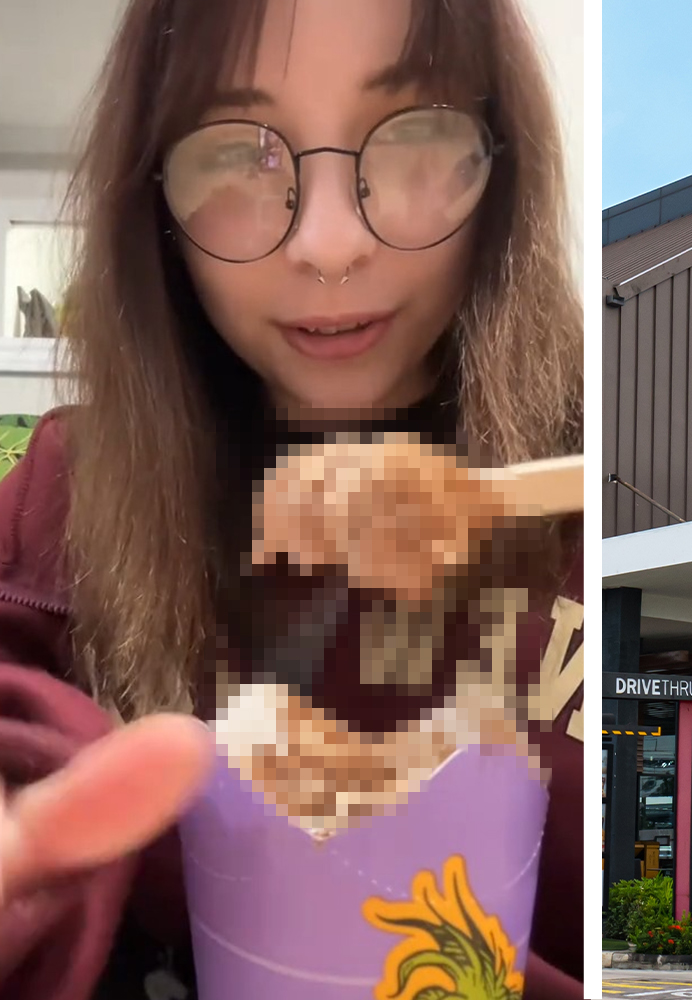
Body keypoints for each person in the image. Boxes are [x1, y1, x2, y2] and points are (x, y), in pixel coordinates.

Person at [0, 1, 585, 997]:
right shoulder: (71, 491)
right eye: (240, 152)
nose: (327, 243)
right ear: (153, 197)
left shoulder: (601, 508)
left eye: (414, 129)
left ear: (503, 162)